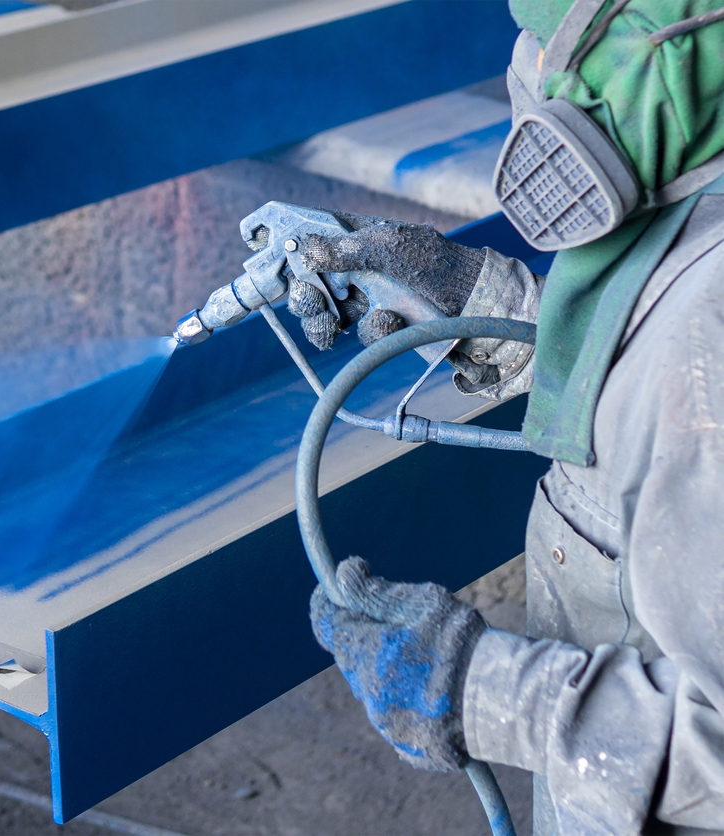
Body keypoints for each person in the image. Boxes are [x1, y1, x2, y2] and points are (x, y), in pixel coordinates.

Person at [296, 1, 724, 833]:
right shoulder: (695, 187)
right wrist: (479, 304)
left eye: (552, 39)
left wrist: (475, 687)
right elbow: (652, 399)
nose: (532, 64)